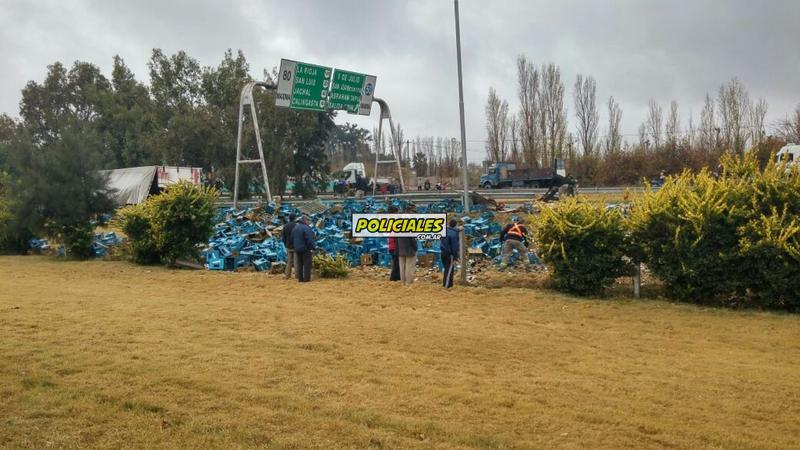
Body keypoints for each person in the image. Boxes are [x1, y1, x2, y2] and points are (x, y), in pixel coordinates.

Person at [291, 215, 316, 282]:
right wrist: (313, 247)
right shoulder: (306, 228)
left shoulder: (295, 228)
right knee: (307, 264)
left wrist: (295, 246)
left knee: (299, 264)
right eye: (308, 220)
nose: (309, 222)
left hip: (297, 249)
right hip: (305, 249)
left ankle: (300, 279)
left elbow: (292, 238)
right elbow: (309, 239)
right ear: (305, 220)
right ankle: (306, 279)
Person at [440, 219, 460, 288]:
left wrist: (458, 230)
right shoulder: (454, 234)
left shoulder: (445, 231)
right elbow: (455, 247)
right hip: (449, 254)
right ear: (455, 225)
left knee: (448, 269)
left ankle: (450, 285)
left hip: (443, 252)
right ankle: (446, 285)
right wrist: (456, 256)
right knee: (449, 270)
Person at [387, 206, 401, 282]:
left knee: (396, 262)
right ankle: (394, 278)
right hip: (394, 245)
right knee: (396, 262)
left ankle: (396, 277)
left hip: (391, 245)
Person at [281, 214, 297, 279]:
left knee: (289, 262)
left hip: (288, 246)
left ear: (289, 218)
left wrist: (286, 244)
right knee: (296, 262)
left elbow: (283, 238)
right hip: (296, 246)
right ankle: (297, 276)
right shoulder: (296, 226)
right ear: (294, 218)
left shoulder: (285, 226)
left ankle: (287, 275)